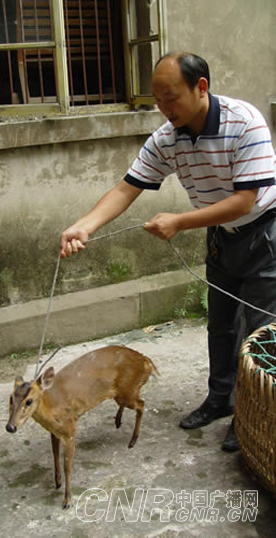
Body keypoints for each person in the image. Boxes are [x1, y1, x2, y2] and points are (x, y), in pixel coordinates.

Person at [60, 52, 276, 452]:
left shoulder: (244, 122)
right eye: (157, 100)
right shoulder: (168, 137)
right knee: (221, 325)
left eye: (171, 98)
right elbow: (127, 188)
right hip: (220, 237)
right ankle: (220, 399)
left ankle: (251, 416)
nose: (164, 108)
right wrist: (83, 226)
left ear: (201, 88)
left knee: (258, 333)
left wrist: (179, 221)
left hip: (265, 234)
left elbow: (246, 200)